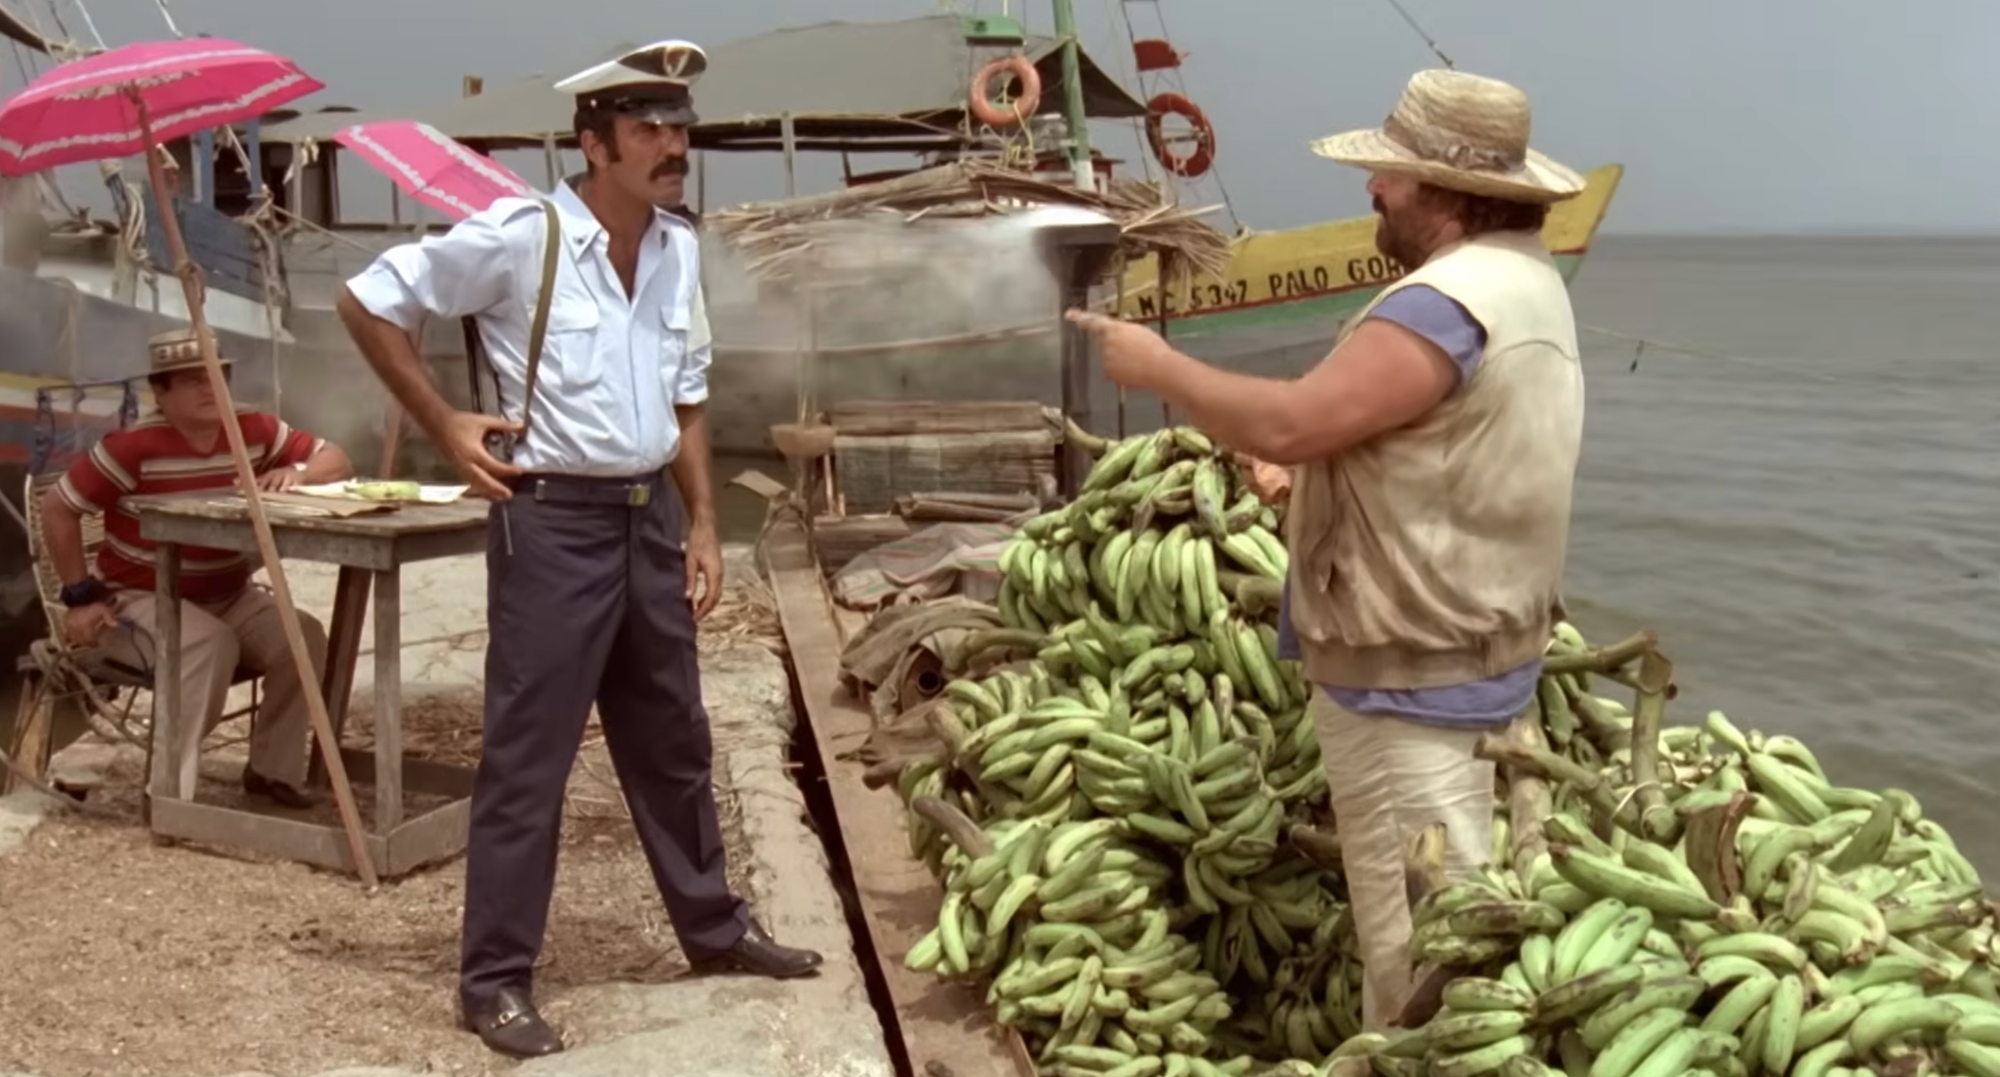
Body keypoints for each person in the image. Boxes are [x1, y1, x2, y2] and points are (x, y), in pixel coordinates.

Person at [1068, 68, 1587, 1028]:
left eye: (1391, 175)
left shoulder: (1445, 301)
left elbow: (1300, 420)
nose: (1373, 190)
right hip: (1483, 663)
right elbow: (1439, 444)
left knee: (1423, 967)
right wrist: (1321, 484)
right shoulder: (1528, 283)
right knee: (1466, 935)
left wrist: (1162, 368)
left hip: (1415, 693)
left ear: (1440, 190)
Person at [334, 39, 822, 1059]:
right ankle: (496, 981)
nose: (671, 145)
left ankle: (714, 929)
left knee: (674, 744)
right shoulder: (525, 235)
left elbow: (686, 391)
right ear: (594, 143)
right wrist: (444, 424)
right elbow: (371, 298)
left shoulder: (678, 246)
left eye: (679, 127)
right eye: (648, 129)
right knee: (529, 763)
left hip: (647, 518)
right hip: (552, 520)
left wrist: (698, 522)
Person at [41, 327, 354, 808]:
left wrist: (300, 473)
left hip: (229, 593)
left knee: (303, 637)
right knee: (211, 645)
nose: (209, 387)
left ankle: (273, 771)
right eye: (189, 380)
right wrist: (80, 598)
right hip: (140, 601)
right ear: (160, 393)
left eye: (215, 374)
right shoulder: (131, 448)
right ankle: (166, 793)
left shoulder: (253, 430)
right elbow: (58, 509)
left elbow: (337, 460)